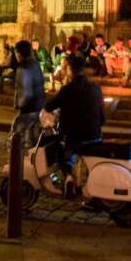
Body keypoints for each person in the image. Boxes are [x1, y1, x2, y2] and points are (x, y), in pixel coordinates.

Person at [42, 53, 105, 198]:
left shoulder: (67, 89)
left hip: (74, 136)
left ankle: (69, 177)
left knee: (61, 154)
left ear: (70, 70)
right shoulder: (96, 88)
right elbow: (102, 116)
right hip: (95, 135)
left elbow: (50, 105)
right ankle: (81, 185)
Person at [12, 39, 46, 147]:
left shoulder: (23, 68)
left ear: (19, 53)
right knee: (33, 138)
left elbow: (26, 91)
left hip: (29, 107)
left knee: (16, 135)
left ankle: (18, 160)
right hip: (39, 105)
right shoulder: (35, 64)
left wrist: (19, 105)